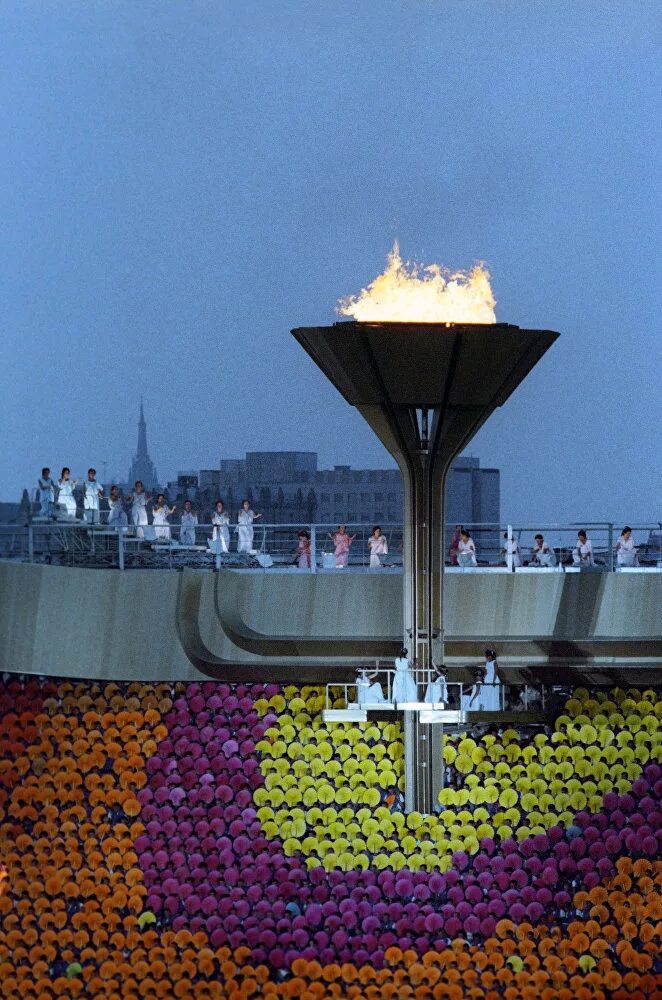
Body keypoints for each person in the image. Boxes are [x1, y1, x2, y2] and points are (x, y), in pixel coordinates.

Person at [482, 647, 502, 711]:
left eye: (489, 656)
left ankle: (494, 708)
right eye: (487, 656)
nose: (488, 657)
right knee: (488, 694)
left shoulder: (494, 662)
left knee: (494, 694)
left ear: (492, 656)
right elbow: (486, 671)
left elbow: (495, 672)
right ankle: (488, 707)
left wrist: (493, 681)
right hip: (488, 679)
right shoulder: (487, 663)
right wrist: (484, 678)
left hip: (493, 678)